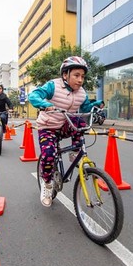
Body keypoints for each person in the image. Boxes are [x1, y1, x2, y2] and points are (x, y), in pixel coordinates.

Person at [29, 56, 103, 207]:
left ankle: (76, 152)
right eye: (76, 75)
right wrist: (44, 104)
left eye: (82, 76)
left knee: (80, 122)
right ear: (65, 75)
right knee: (49, 154)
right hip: (48, 127)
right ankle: (47, 185)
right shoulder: (53, 86)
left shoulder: (81, 93)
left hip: (65, 125)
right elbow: (34, 95)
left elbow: (85, 108)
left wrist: (97, 106)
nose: (80, 80)